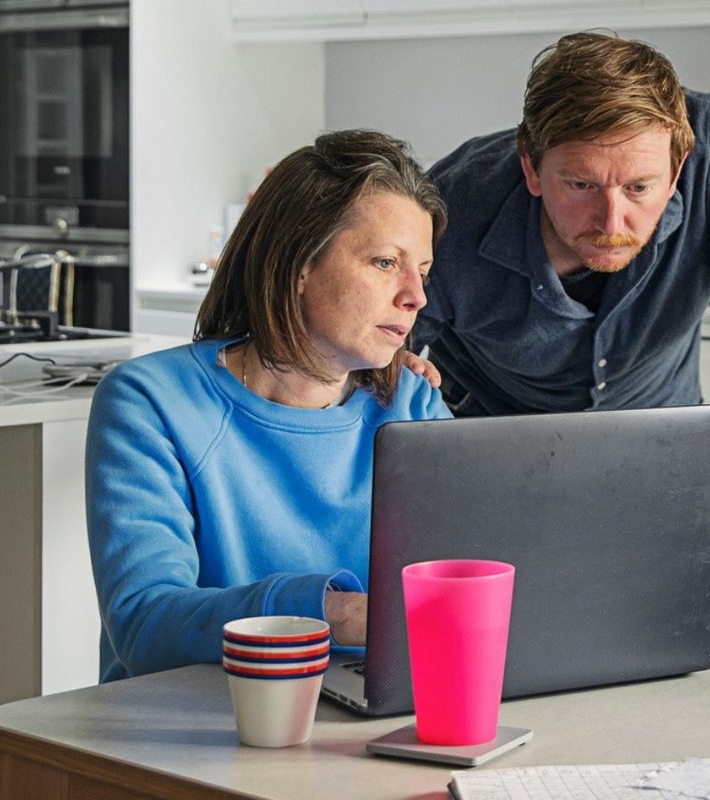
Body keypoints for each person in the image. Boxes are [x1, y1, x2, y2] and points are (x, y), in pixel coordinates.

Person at [412, 32, 710, 593]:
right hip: (490, 486)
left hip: (663, 479)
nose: (611, 222)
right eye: (581, 184)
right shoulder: (450, 208)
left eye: (640, 187)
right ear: (531, 166)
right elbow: (365, 363)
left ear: (679, 166)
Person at [86, 130, 451, 682]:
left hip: (362, 726)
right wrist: (336, 614)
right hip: (188, 729)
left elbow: (467, 583)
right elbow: (145, 625)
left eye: (421, 272)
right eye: (384, 262)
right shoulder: (149, 401)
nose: (415, 296)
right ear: (298, 264)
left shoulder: (412, 402)